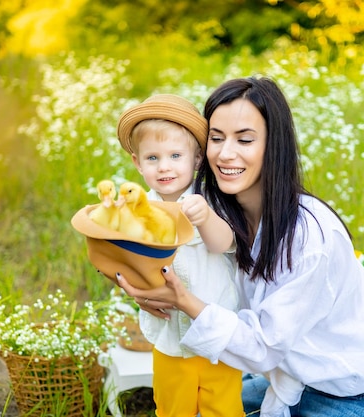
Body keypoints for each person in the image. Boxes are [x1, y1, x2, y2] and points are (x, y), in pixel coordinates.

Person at [115, 77, 364, 417]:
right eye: (217, 138)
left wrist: (184, 302)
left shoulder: (308, 235)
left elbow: (263, 346)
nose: (226, 153)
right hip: (289, 376)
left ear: (273, 145)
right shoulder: (213, 209)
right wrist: (141, 286)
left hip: (363, 392)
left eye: (245, 139)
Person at [116, 94, 244, 417]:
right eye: (153, 158)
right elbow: (126, 260)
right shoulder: (138, 210)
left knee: (225, 408)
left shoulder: (209, 201)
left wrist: (206, 219)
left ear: (197, 159)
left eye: (175, 155)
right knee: (173, 408)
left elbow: (225, 243)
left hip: (217, 334)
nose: (165, 167)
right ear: (137, 163)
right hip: (171, 338)